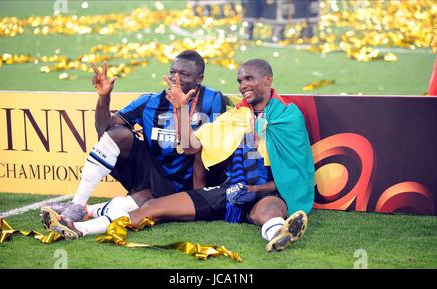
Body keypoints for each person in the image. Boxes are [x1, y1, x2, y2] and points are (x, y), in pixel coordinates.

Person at [43, 59, 315, 252]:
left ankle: (279, 232)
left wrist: (255, 188)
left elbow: (295, 172)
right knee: (149, 208)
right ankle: (80, 227)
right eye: (240, 80)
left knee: (269, 209)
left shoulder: (287, 116)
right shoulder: (235, 116)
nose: (243, 84)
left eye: (249, 78)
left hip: (264, 190)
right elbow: (193, 146)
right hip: (219, 190)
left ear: (268, 80)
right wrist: (181, 111)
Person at [43, 50, 229, 225]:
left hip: (193, 184)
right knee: (118, 134)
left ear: (199, 79)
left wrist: (181, 110)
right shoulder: (150, 101)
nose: (176, 78)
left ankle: (88, 211)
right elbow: (103, 127)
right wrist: (104, 98)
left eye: (185, 75)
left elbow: (195, 149)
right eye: (172, 72)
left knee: (140, 202)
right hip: (157, 178)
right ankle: (77, 205)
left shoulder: (213, 99)